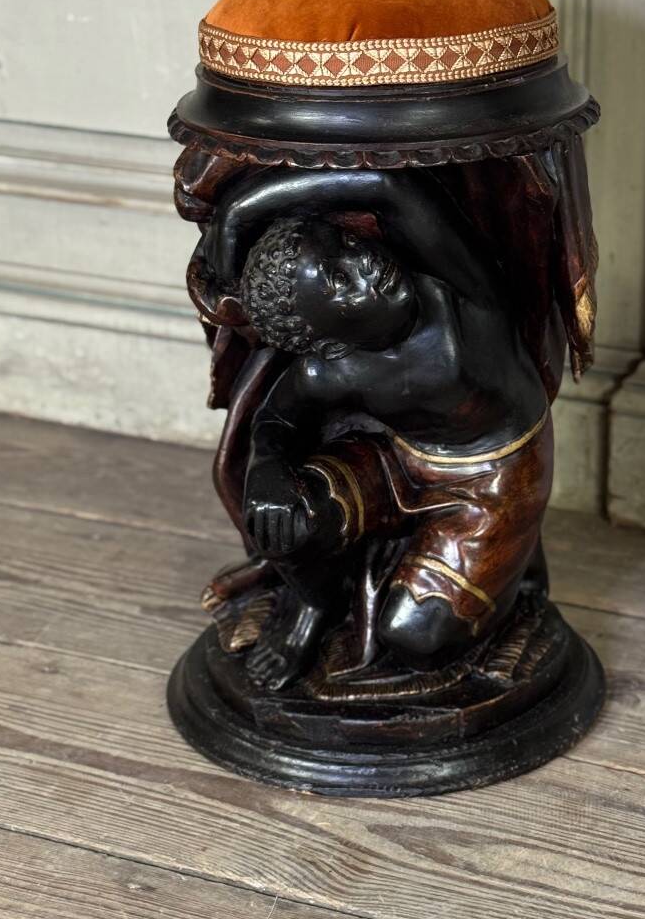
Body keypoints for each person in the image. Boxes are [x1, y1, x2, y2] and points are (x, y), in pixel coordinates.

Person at [196, 168, 553, 689]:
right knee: (282, 517)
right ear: (328, 340)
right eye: (341, 282)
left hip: (498, 481)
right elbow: (276, 418)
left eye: (344, 242)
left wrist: (237, 212)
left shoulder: (460, 296)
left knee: (414, 638)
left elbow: (388, 187)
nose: (362, 261)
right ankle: (314, 604)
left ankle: (508, 587)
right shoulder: (332, 368)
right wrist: (267, 468)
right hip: (399, 463)